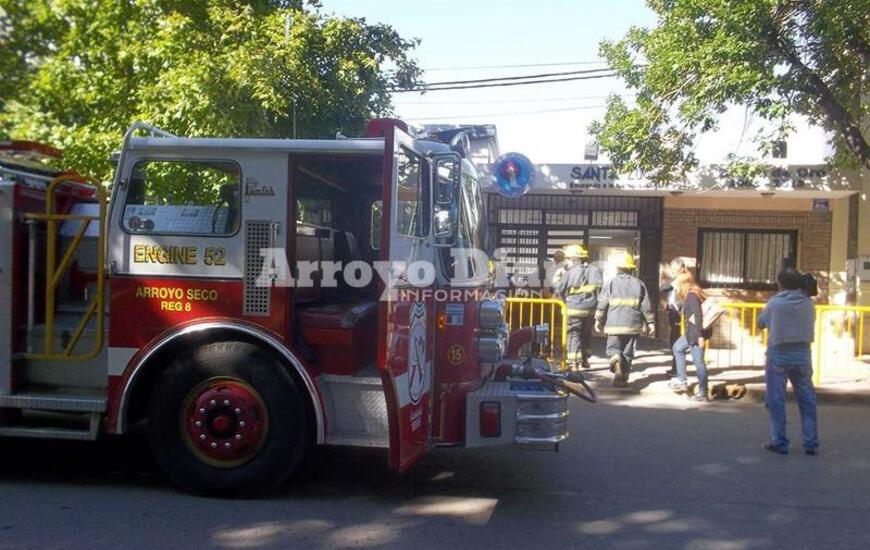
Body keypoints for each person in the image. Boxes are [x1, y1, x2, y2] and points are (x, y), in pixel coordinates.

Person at [757, 268, 818, 456]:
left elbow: (761, 323)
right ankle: (811, 443)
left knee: (776, 400)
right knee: (807, 400)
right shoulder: (808, 304)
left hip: (778, 356)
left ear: (780, 284)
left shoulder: (774, 303)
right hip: (802, 356)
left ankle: (780, 442)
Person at [595, 252, 655, 387]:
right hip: (632, 325)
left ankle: (616, 366)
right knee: (628, 352)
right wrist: (650, 323)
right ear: (632, 268)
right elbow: (646, 305)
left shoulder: (610, 283)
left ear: (618, 268)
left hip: (614, 325)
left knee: (613, 349)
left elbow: (603, 303)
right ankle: (624, 380)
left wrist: (598, 320)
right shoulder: (639, 283)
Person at [555, 244, 602, 370]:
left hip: (574, 309)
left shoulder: (570, 272)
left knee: (573, 334)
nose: (567, 261)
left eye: (568, 259)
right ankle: (585, 359)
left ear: (573, 259)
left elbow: (560, 289)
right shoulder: (595, 270)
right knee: (586, 333)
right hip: (590, 309)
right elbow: (599, 290)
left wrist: (557, 278)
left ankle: (573, 363)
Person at [668, 272, 711, 401]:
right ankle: (682, 380)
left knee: (698, 362)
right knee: (677, 348)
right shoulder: (692, 294)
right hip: (690, 333)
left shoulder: (692, 295)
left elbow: (698, 316)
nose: (676, 289)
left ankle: (702, 391)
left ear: (683, 284)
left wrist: (700, 336)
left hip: (695, 334)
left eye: (677, 285)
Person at [661, 259, 689, 376]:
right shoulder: (676, 280)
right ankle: (675, 368)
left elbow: (686, 296)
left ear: (682, 268)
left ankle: (678, 370)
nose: (674, 272)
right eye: (672, 269)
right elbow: (663, 288)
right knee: (673, 340)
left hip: (679, 313)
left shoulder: (686, 279)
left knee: (677, 342)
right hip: (673, 311)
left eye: (675, 269)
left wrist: (677, 306)